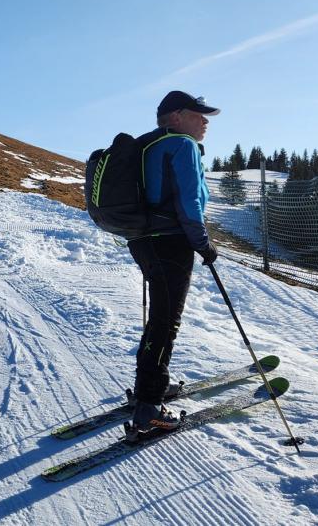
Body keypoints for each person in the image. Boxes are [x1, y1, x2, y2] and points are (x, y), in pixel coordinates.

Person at [128, 90, 221, 434]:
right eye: (199, 114)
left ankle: (148, 388)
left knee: (159, 319)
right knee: (165, 322)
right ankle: (149, 407)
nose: (205, 120)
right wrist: (203, 244)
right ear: (178, 116)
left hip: (143, 240)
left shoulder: (148, 144)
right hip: (170, 242)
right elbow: (189, 200)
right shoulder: (181, 145)